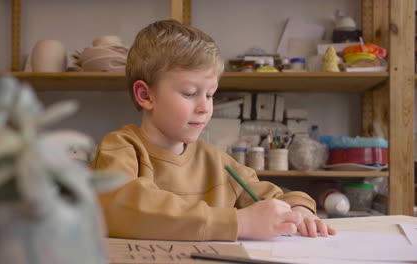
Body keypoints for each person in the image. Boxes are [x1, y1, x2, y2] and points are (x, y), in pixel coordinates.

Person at [92, 19, 336, 241]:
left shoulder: (218, 161)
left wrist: (298, 209)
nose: (204, 107)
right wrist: (239, 223)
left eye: (210, 95)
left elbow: (269, 195)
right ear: (146, 95)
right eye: (189, 93)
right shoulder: (120, 148)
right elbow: (123, 207)